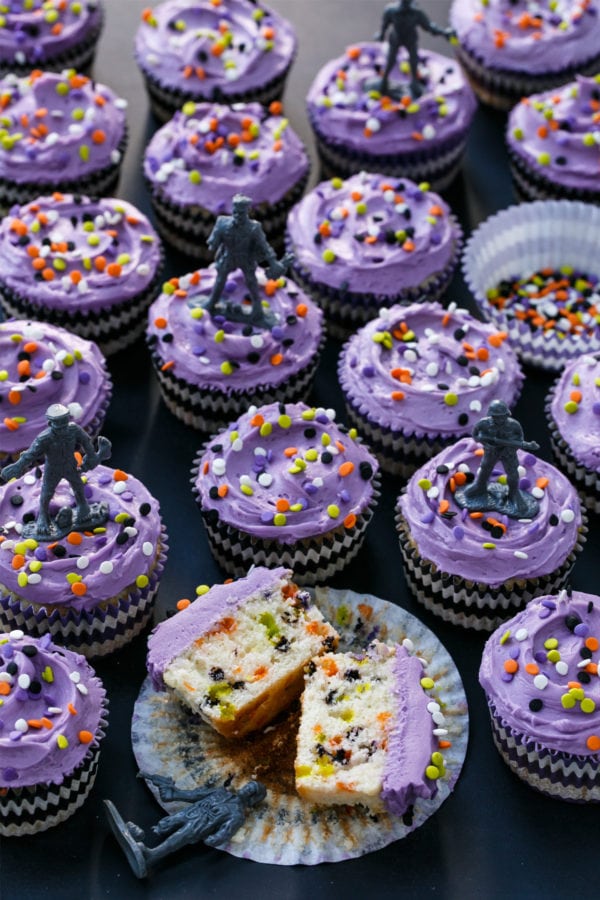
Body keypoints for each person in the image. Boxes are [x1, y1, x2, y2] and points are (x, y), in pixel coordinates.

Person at [104, 775, 266, 878]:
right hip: (189, 813)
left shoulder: (237, 814)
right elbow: (194, 795)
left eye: (251, 790)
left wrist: (214, 839)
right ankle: (137, 836)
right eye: (248, 785)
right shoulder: (220, 792)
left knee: (176, 840)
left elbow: (226, 831)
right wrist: (175, 793)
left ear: (253, 797)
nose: (247, 788)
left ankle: (150, 855)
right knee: (165, 824)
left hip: (199, 826)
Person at [0, 403, 111, 539]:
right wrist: (18, 465)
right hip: (53, 469)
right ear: (50, 422)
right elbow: (31, 454)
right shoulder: (44, 438)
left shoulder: (74, 429)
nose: (62, 426)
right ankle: (43, 519)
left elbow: (86, 441)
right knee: (46, 494)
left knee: (77, 486)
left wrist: (92, 455)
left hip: (70, 465)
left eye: (64, 421)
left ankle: (83, 508)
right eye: (58, 423)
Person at [205, 194, 292, 326]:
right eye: (235, 212)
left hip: (246, 259)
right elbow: (215, 237)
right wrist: (213, 243)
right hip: (228, 257)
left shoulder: (254, 227)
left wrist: (273, 262)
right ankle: (211, 303)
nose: (237, 215)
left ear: (247, 212)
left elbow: (265, 246)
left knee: (251, 282)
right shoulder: (222, 222)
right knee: (220, 279)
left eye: (241, 213)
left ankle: (257, 309)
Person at [459, 400, 540, 518]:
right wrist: (486, 444)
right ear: (491, 416)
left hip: (508, 453)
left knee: (512, 473)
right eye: (496, 417)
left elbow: (519, 440)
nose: (499, 419)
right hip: (491, 451)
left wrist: (511, 448)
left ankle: (514, 493)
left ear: (507, 415)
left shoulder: (514, 425)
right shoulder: (483, 424)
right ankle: (480, 486)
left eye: (502, 417)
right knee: (485, 468)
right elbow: (475, 435)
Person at [376, 0, 455, 98]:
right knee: (390, 60)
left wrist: (444, 33)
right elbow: (385, 25)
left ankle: (414, 83)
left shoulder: (417, 13)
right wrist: (381, 35)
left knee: (414, 60)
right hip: (396, 38)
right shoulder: (390, 11)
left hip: (410, 39)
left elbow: (429, 27)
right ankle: (384, 81)